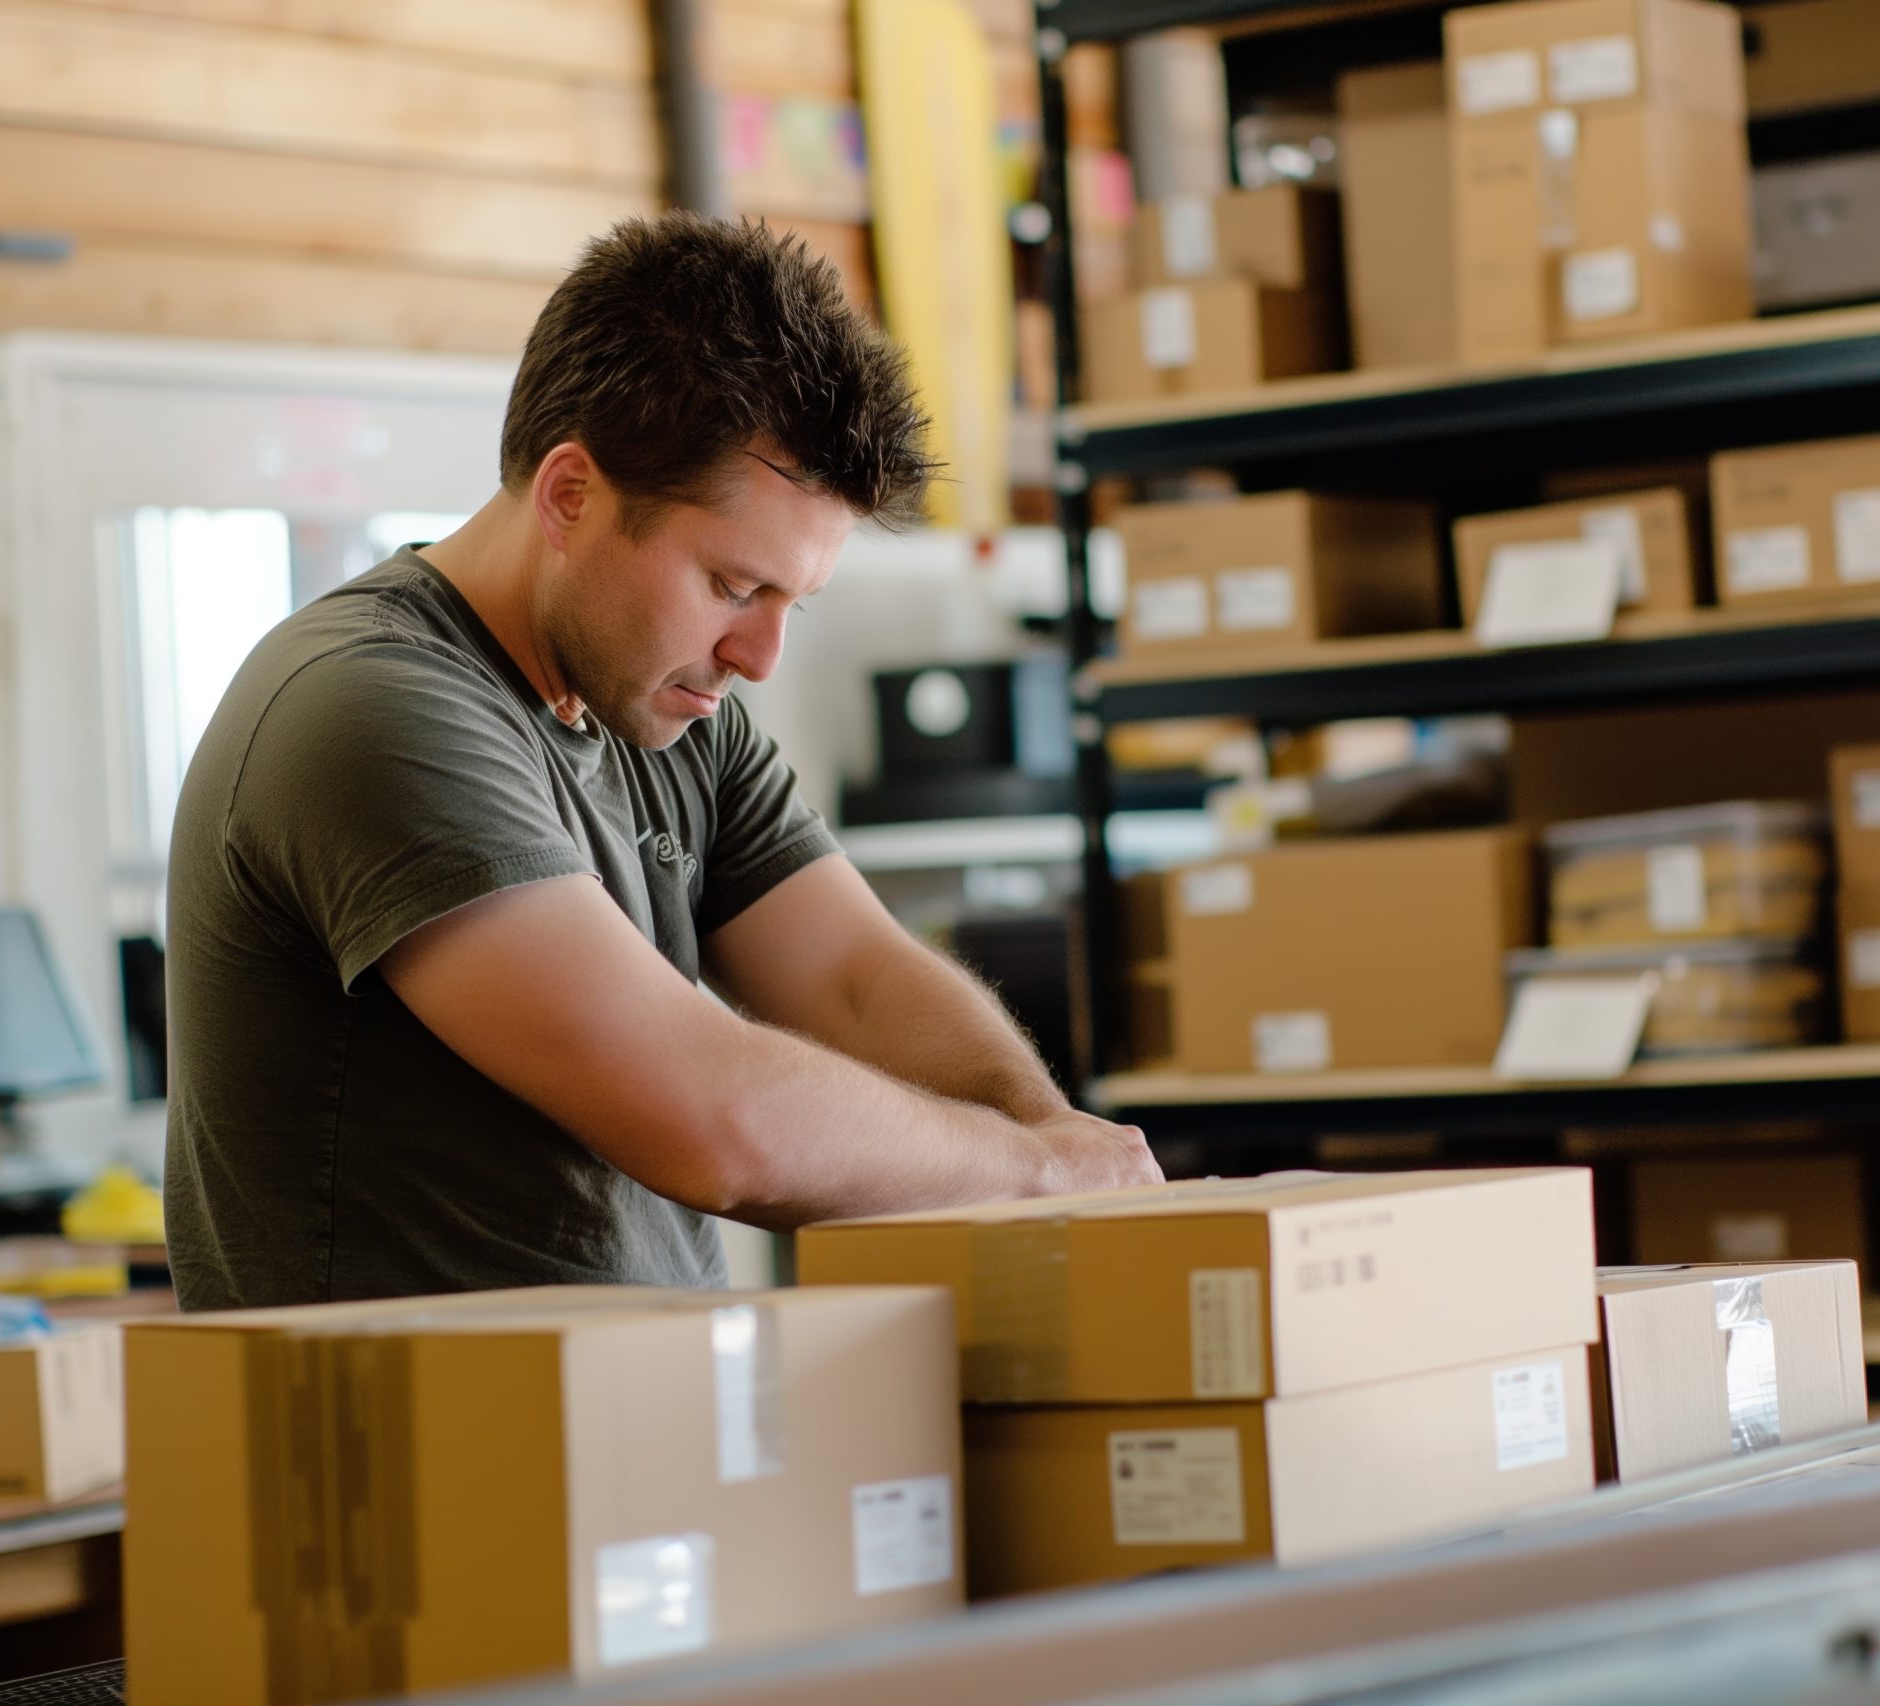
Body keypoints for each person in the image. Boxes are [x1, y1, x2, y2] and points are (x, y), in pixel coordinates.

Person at [163, 214, 1161, 1310]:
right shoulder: (372, 708)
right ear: (569, 495)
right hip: (407, 1462)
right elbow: (713, 1118)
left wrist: (1050, 1129)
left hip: (642, 1422)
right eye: (735, 587)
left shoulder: (674, 710)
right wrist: (1043, 1170)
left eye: (791, 601)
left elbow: (857, 981)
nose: (760, 656)